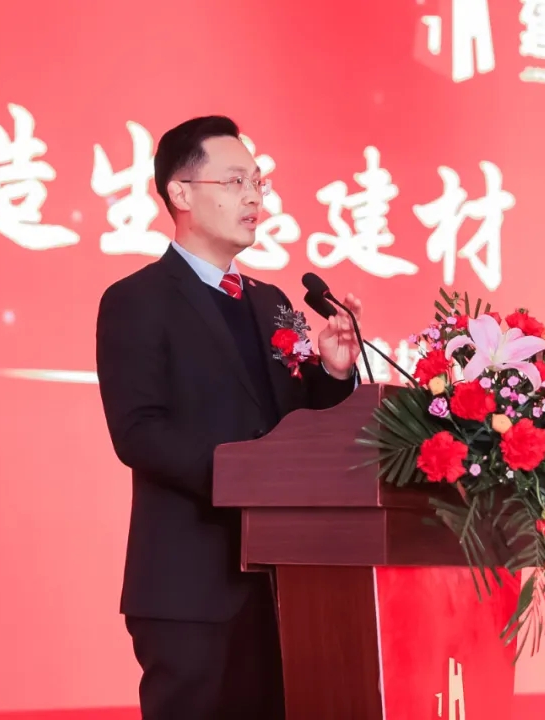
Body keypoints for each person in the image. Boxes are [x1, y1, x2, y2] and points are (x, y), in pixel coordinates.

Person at [95, 115, 363, 720]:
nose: (254, 197)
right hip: (190, 586)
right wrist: (245, 481)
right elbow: (139, 432)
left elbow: (299, 427)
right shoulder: (137, 300)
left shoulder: (272, 302)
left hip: (286, 583)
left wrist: (332, 373)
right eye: (236, 181)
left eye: (258, 182)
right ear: (181, 193)